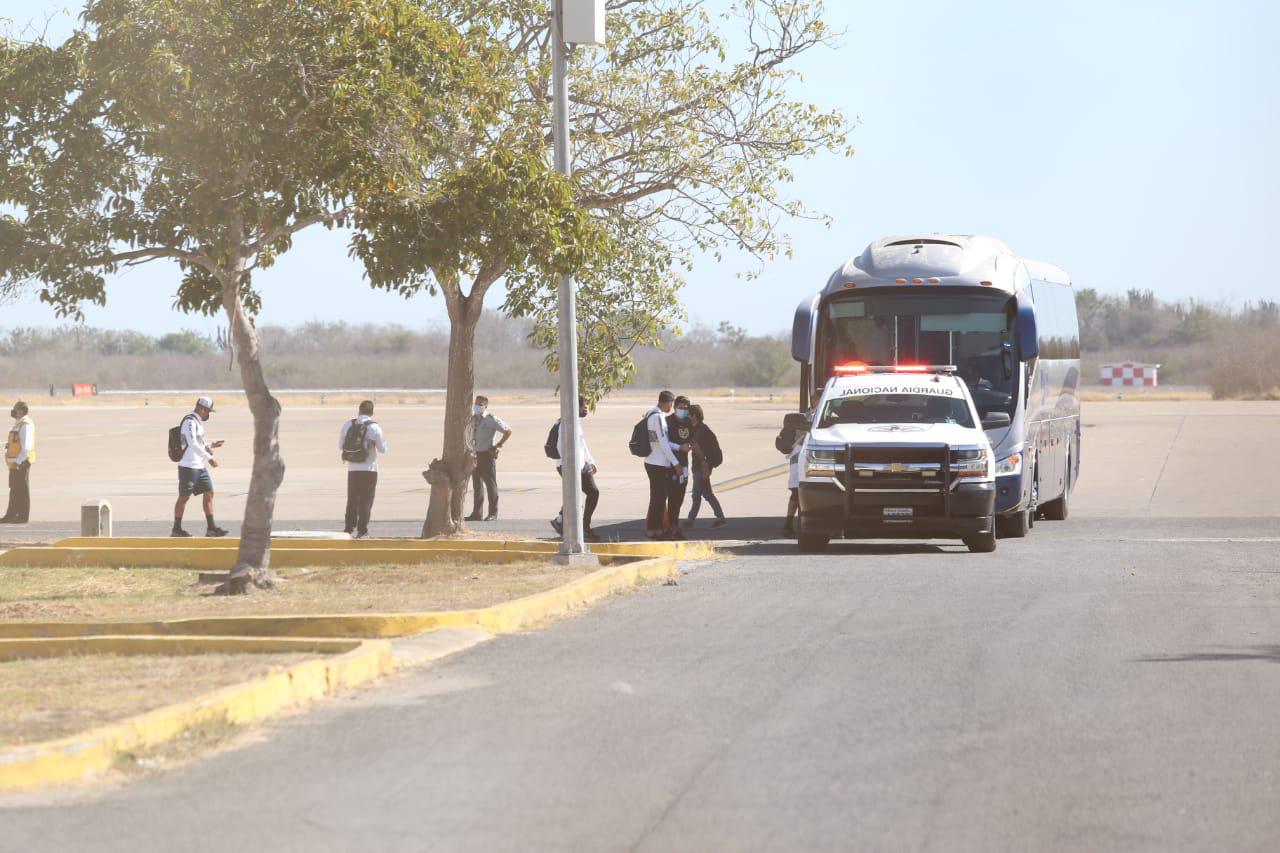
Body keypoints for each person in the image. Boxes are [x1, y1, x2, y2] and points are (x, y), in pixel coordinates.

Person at [173, 396, 227, 537]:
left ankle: (211, 528)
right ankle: (176, 529)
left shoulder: (198, 423)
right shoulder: (189, 422)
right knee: (184, 497)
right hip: (188, 466)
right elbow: (192, 443)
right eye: (208, 411)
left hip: (199, 466)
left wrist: (210, 445)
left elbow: (198, 444)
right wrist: (209, 458)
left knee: (209, 492)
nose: (208, 414)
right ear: (201, 409)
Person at [549, 395, 600, 541]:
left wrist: (590, 461)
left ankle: (568, 522)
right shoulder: (565, 422)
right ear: (575, 406)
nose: (586, 409)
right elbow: (560, 446)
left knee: (593, 492)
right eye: (584, 406)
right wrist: (571, 466)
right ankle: (575, 527)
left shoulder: (576, 422)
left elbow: (581, 443)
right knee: (575, 495)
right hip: (568, 465)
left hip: (582, 464)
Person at [339, 400, 388, 539]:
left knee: (352, 498)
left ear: (359, 410)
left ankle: (348, 527)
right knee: (366, 499)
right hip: (369, 468)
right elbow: (383, 449)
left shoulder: (348, 424)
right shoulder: (374, 427)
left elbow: (340, 445)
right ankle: (362, 530)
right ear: (372, 412)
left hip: (352, 468)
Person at [643, 390, 684, 539]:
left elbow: (663, 442)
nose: (671, 407)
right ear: (666, 402)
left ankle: (654, 529)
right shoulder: (658, 417)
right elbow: (663, 444)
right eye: (671, 403)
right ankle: (655, 530)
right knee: (659, 498)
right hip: (657, 463)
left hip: (654, 461)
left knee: (657, 497)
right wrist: (676, 463)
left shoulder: (652, 414)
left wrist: (679, 447)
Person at [466, 395, 512, 522]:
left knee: (490, 485)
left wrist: (499, 445)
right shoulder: (472, 419)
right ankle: (477, 513)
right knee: (477, 486)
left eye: (480, 404)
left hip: (487, 455)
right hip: (475, 455)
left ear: (485, 406)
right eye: (476, 404)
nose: (477, 406)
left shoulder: (490, 419)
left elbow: (508, 431)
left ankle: (493, 513)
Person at [684, 404, 727, 529]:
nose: (686, 416)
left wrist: (704, 466)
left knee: (696, 494)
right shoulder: (697, 428)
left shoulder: (700, 430)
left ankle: (690, 520)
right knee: (707, 493)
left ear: (694, 415)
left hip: (702, 466)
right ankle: (720, 518)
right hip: (701, 465)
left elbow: (699, 449)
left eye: (688, 414)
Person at [1, 401, 35, 524]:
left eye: (15, 409)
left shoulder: (25, 425)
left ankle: (22, 516)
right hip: (14, 463)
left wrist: (19, 461)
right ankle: (11, 514)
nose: (13, 411)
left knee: (22, 490)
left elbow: (26, 447)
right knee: (14, 489)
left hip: (21, 462)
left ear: (21, 411)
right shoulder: (18, 424)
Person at [666, 395, 695, 527]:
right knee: (672, 497)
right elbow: (664, 443)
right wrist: (679, 447)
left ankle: (674, 525)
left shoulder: (689, 422)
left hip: (684, 465)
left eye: (685, 408)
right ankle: (671, 526)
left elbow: (693, 438)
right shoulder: (667, 421)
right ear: (674, 406)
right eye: (680, 407)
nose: (683, 410)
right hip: (671, 465)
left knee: (680, 496)